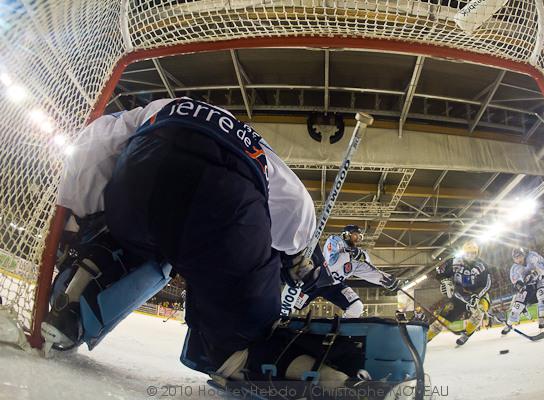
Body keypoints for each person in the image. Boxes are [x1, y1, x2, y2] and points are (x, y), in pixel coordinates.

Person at [42, 97, 333, 379]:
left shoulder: (163, 105)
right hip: (225, 198)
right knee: (247, 324)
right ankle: (250, 356)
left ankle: (81, 291)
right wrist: (299, 260)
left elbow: (95, 141)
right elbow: (298, 206)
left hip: (143, 171)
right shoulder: (258, 146)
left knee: (124, 240)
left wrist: (84, 219)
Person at [293, 225, 401, 318]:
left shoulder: (358, 255)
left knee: (357, 307)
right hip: (317, 280)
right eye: (355, 235)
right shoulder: (335, 240)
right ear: (346, 235)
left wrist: (385, 279)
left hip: (334, 286)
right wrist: (349, 254)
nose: (357, 239)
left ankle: (342, 331)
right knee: (291, 305)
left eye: (359, 237)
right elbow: (331, 265)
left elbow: (368, 271)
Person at [427, 240, 492, 346]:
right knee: (439, 323)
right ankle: (425, 339)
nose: (470, 256)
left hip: (479, 296)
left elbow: (487, 284)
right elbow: (439, 272)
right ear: (464, 252)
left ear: (477, 253)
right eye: (468, 253)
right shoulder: (454, 262)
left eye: (473, 253)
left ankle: (467, 333)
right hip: (459, 297)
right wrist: (444, 281)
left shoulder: (482, 266)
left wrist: (477, 295)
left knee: (478, 313)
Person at [502, 248, 544, 335]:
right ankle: (509, 324)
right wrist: (520, 286)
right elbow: (516, 282)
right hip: (528, 285)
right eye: (516, 258)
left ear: (524, 255)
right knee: (517, 306)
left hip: (539, 279)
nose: (518, 260)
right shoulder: (514, 268)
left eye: (520, 256)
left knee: (542, 297)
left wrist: (535, 273)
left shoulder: (532, 256)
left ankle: (542, 320)